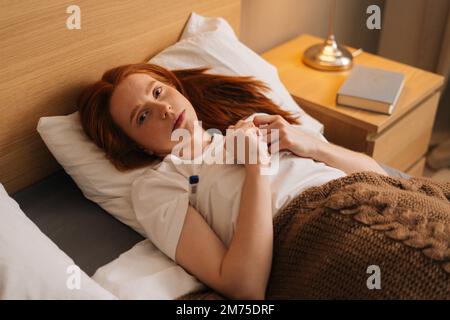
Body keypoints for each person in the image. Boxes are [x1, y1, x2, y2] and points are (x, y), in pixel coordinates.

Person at [78, 63, 387, 300]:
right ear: (137, 146)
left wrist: (308, 143)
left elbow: (382, 178)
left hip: (381, 199)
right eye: (142, 117)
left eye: (158, 92)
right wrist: (256, 168)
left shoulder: (250, 124)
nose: (164, 109)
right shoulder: (159, 186)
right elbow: (244, 287)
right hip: (328, 235)